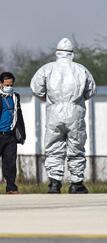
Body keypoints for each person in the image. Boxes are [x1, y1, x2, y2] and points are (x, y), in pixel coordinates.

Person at [30, 38, 97, 194]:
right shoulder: (81, 69)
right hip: (75, 112)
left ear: (57, 53)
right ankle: (76, 183)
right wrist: (77, 100)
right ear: (71, 54)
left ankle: (54, 183)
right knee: (77, 147)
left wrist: (51, 100)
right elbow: (91, 91)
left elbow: (36, 89)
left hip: (54, 112)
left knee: (53, 148)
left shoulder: (46, 69)